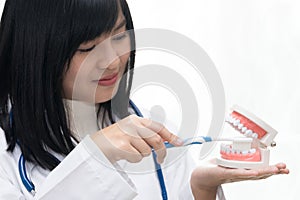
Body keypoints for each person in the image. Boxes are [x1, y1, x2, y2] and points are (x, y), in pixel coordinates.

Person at [0, 0, 289, 199]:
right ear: (37, 54)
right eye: (88, 48)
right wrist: (96, 154)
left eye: (118, 35)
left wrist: (202, 188)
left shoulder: (152, 127)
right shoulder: (5, 155)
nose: (113, 61)